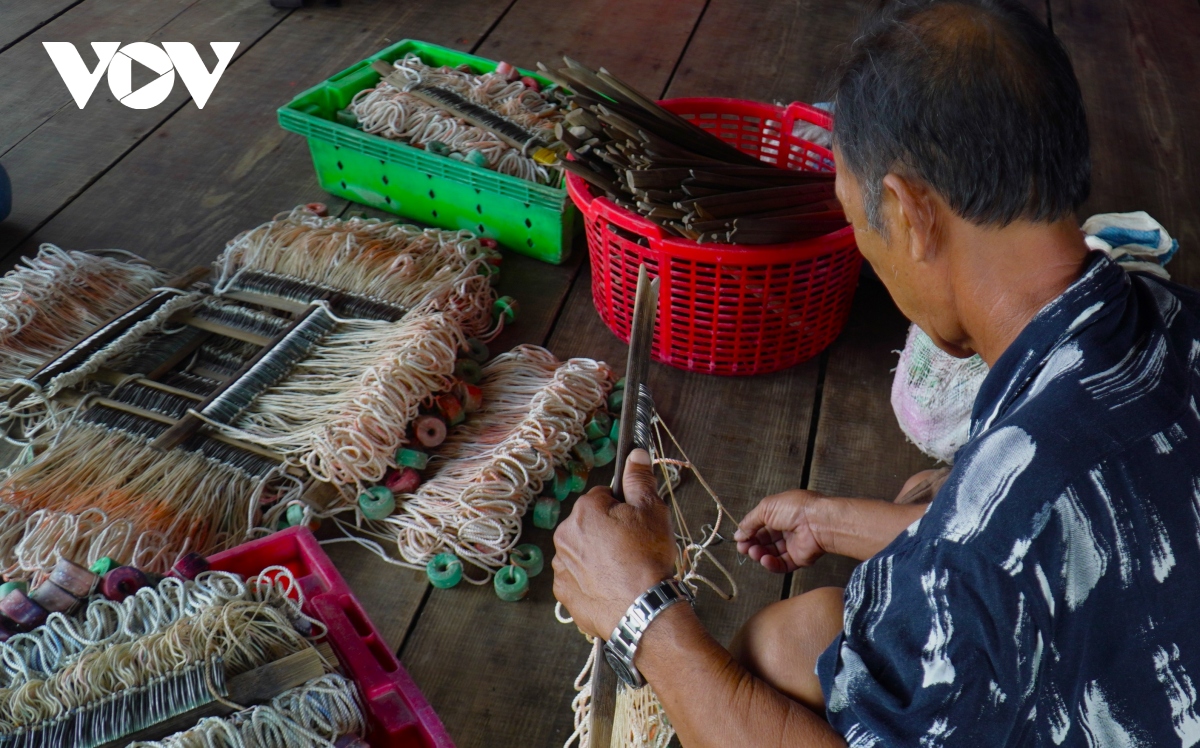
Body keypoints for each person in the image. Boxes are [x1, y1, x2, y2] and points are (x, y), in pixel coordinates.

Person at [552, 0, 1200, 744]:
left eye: (858, 220)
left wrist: (641, 613)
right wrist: (834, 519)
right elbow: (1068, 536)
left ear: (908, 212)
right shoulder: (1170, 322)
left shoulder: (993, 520)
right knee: (802, 632)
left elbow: (1002, 541)